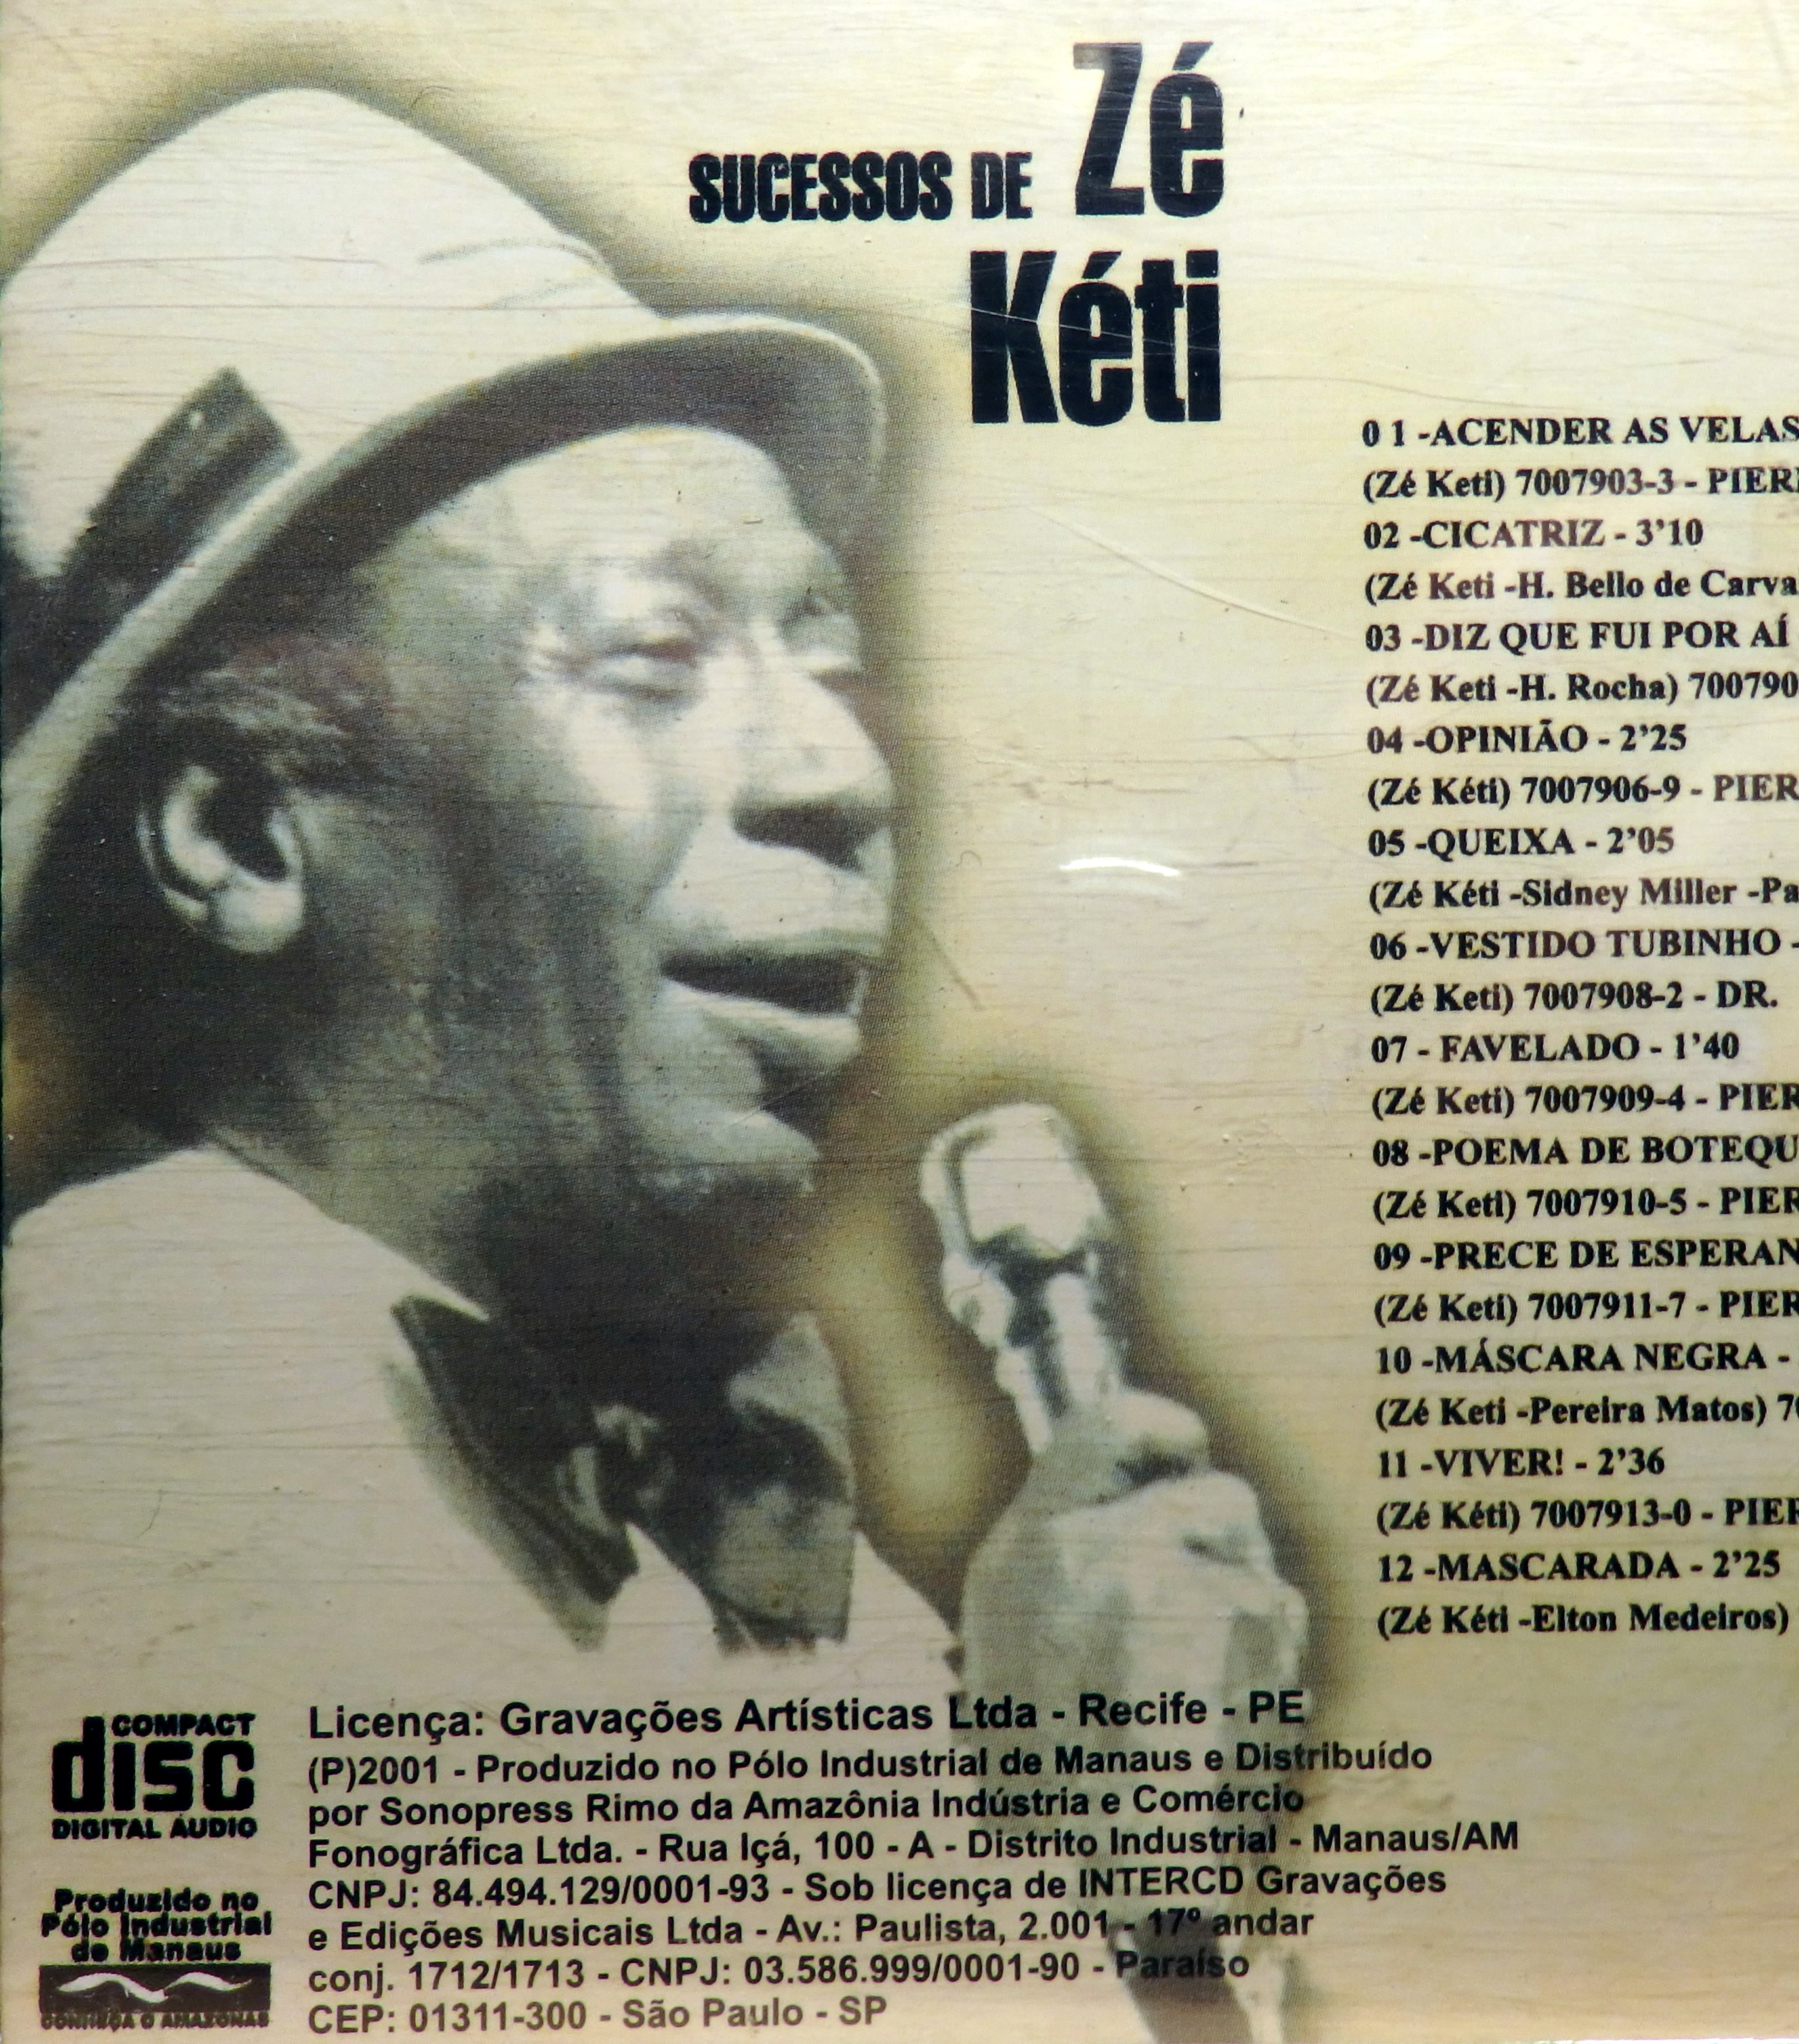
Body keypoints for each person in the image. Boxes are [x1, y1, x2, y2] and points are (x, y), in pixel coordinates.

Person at [2, 92, 1300, 2031]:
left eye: (818, 655)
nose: (841, 769)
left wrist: (1142, 1899)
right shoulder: (110, 1451)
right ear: (245, 836)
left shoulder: (738, 1539)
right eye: (652, 658)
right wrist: (1061, 1859)